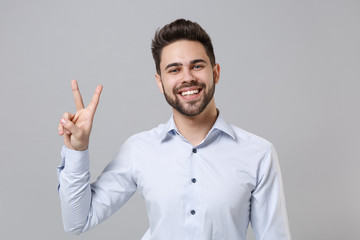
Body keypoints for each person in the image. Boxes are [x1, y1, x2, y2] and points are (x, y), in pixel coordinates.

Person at [57, 19, 291, 240]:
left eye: (197, 66)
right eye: (174, 70)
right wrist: (77, 150)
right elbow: (78, 221)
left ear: (216, 72)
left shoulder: (258, 154)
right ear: (160, 82)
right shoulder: (139, 150)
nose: (187, 78)